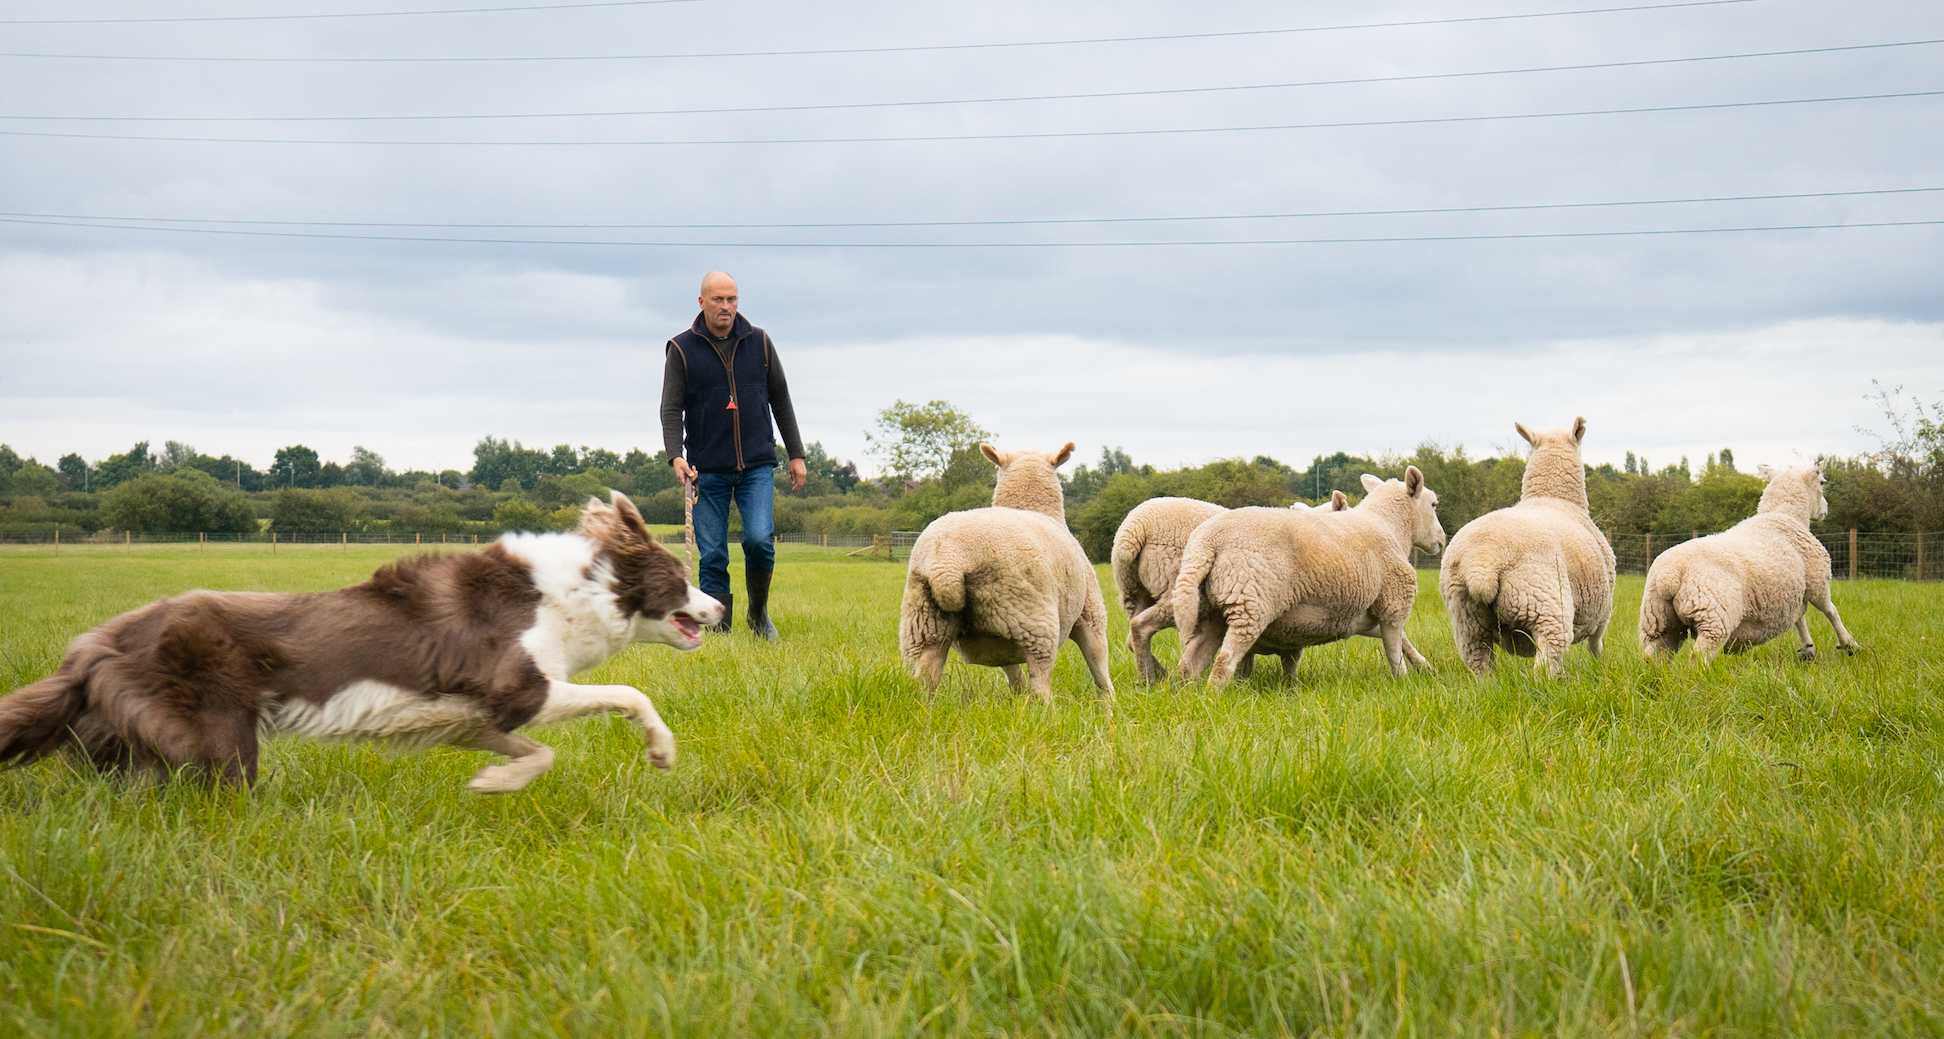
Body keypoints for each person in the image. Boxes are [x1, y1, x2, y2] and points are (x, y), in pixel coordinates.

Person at [661, 271, 807, 640]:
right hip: (706, 468)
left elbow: (781, 398)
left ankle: (758, 614)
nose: (725, 306)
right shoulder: (681, 349)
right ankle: (719, 635)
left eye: (732, 299)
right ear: (702, 302)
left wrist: (796, 453)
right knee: (712, 555)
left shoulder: (758, 342)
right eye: (718, 300)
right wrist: (675, 456)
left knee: (759, 540)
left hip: (757, 465)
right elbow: (670, 409)